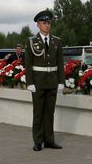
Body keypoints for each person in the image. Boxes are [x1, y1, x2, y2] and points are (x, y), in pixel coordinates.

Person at [25, 10, 64, 151]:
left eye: (48, 23)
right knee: (38, 113)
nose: (47, 25)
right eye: (43, 23)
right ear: (38, 25)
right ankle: (38, 141)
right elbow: (28, 64)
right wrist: (29, 83)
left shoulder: (57, 41)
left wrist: (61, 82)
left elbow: (60, 63)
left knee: (49, 113)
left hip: (52, 81)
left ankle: (49, 140)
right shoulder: (31, 41)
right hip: (38, 82)